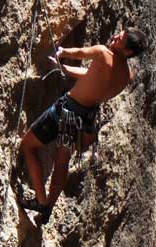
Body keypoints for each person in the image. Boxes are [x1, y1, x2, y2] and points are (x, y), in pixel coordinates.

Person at [18, 26, 148, 224]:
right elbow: (92, 76)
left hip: (68, 111)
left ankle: (41, 201)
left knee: (28, 146)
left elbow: (79, 53)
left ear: (128, 50)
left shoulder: (103, 52)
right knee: (62, 162)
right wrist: (64, 69)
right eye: (118, 33)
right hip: (85, 118)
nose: (114, 36)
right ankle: (48, 207)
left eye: (120, 38)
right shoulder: (126, 75)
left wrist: (62, 52)